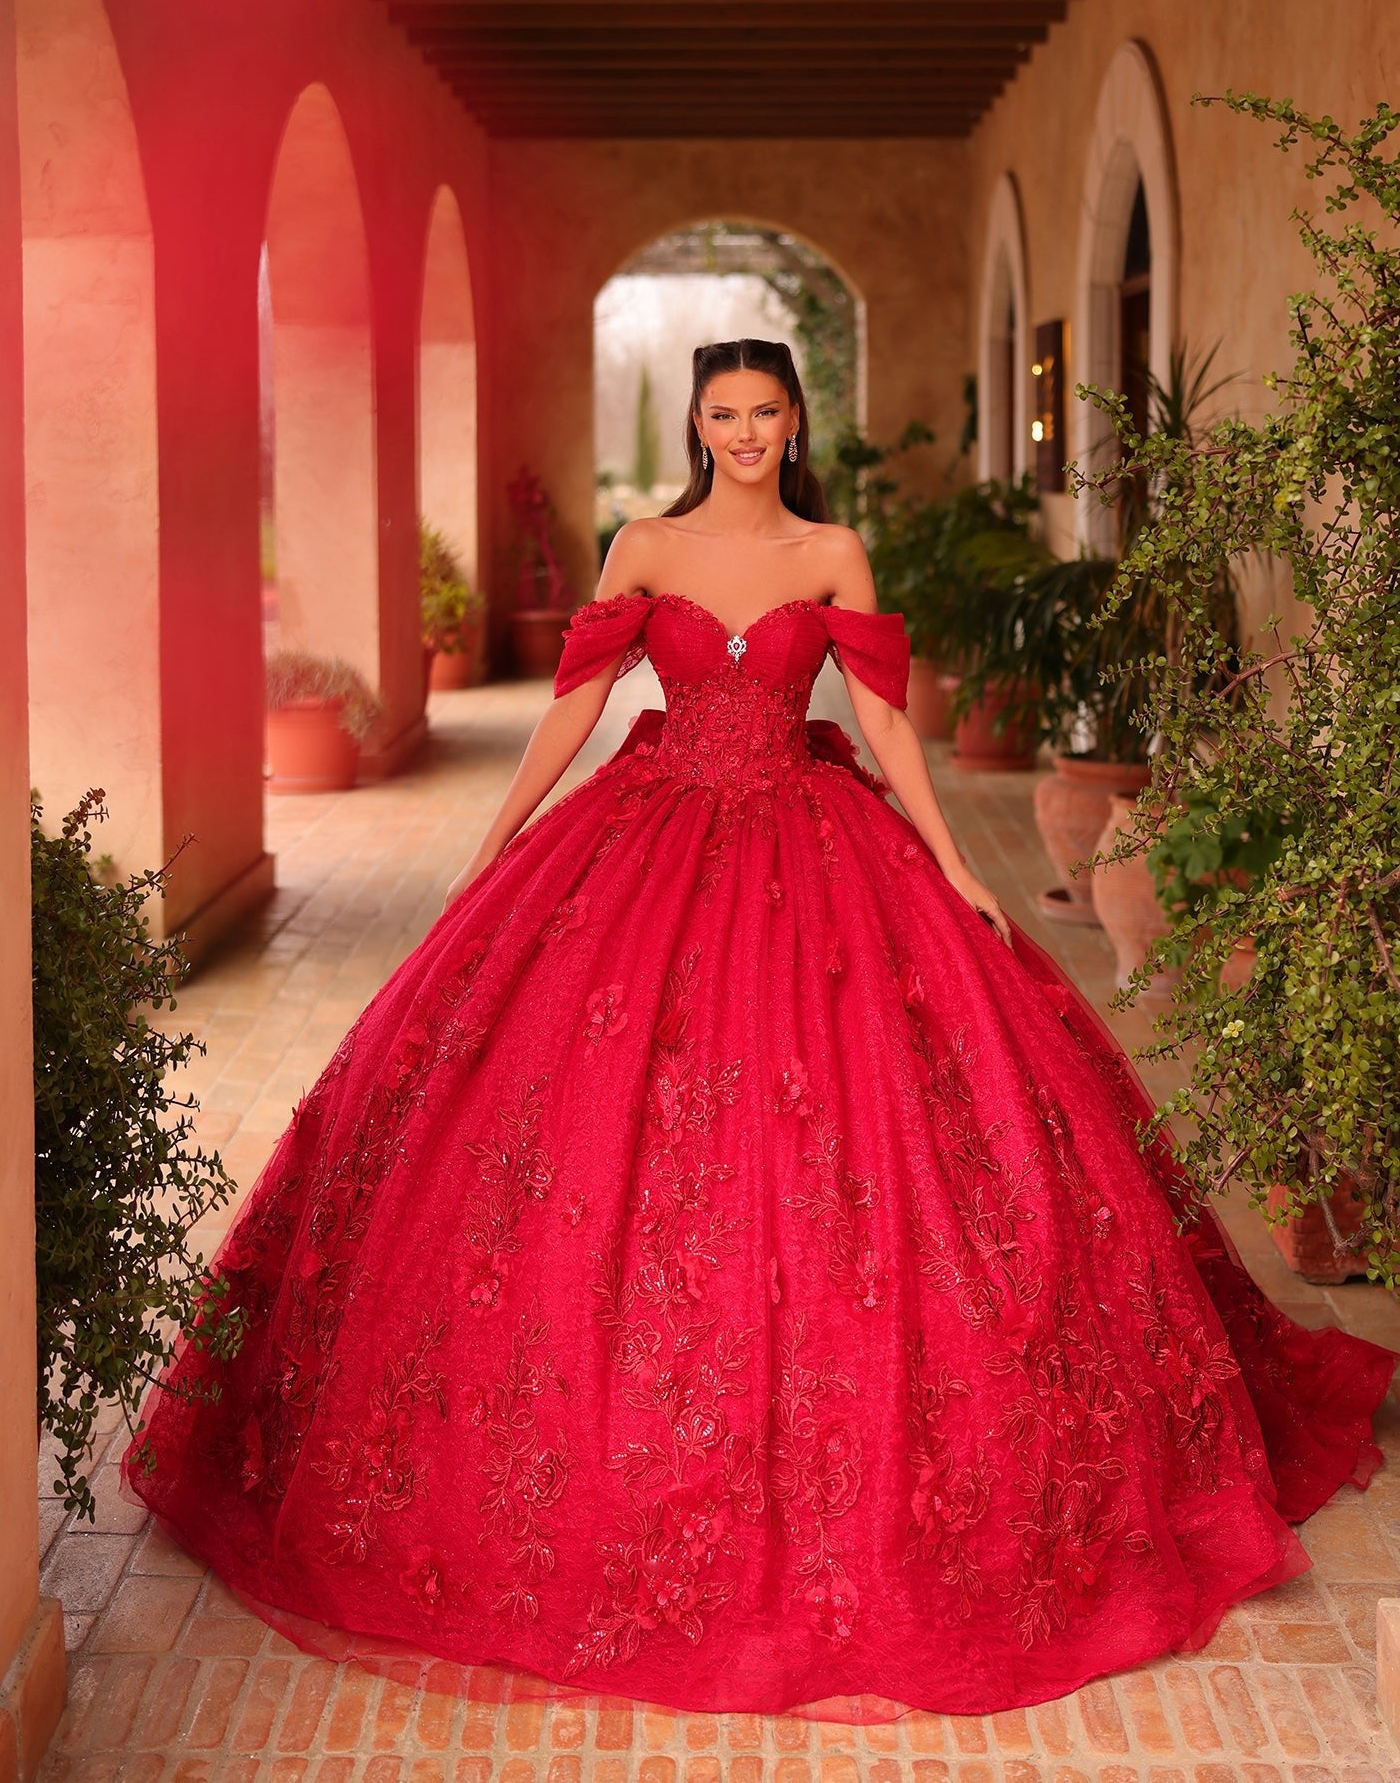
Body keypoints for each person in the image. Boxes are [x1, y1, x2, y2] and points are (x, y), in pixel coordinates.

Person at [120, 338, 1395, 1723]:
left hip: (811, 836)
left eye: (763, 412)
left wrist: (955, 864)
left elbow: (892, 726)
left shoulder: (832, 552)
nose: (740, 432)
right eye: (720, 413)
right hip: (646, 832)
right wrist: (497, 840)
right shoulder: (641, 548)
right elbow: (578, 707)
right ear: (697, 423)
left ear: (796, 423)